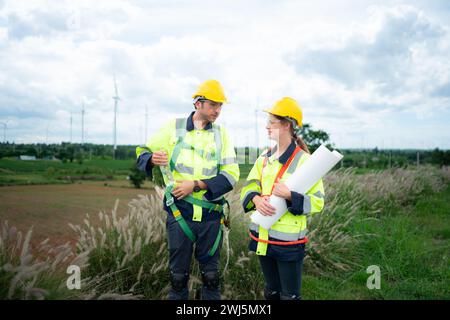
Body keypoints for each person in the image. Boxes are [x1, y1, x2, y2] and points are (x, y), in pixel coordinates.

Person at [136, 80, 239, 300]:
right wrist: (152, 159)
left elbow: (232, 175)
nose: (218, 111)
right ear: (197, 103)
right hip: (179, 213)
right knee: (178, 278)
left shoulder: (223, 135)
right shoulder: (173, 127)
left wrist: (196, 185)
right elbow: (142, 151)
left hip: (212, 217)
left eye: (221, 106)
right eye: (213, 105)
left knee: (211, 277)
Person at [240, 97, 325, 300]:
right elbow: (249, 186)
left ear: (286, 125)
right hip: (263, 236)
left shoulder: (306, 161)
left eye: (272, 122)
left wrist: (289, 196)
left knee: (289, 297)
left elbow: (318, 201)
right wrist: (256, 199)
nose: (267, 126)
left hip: (288, 244)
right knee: (271, 293)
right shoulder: (264, 157)